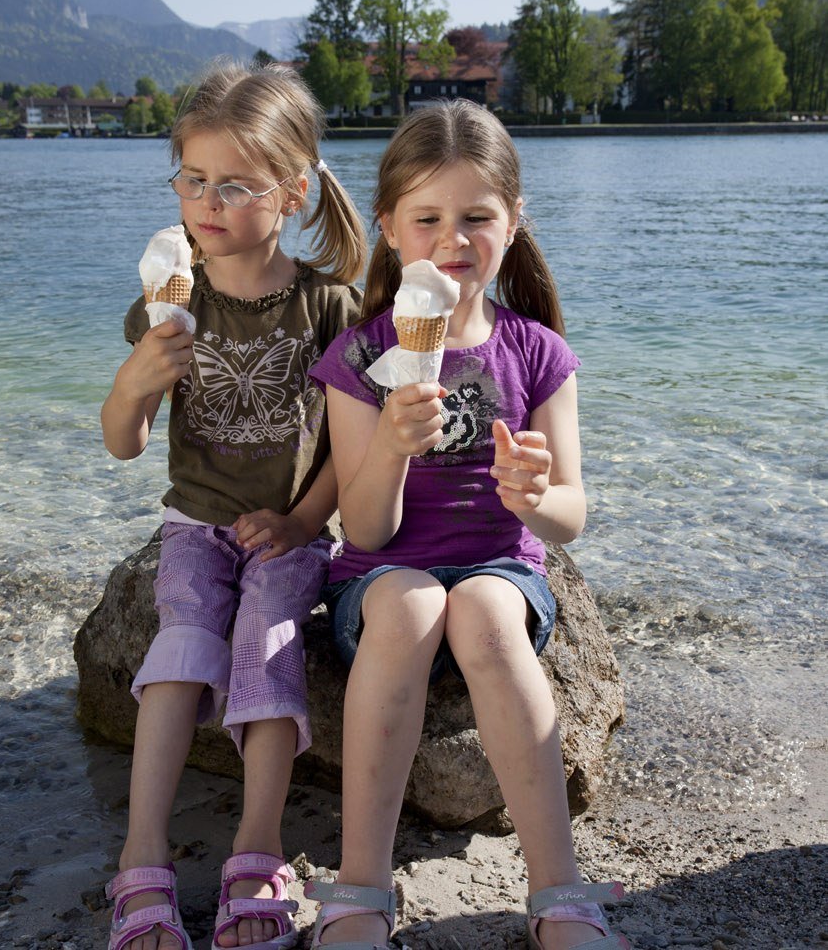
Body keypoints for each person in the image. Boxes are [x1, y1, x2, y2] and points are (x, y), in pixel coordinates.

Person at [307, 100, 629, 950]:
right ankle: (361, 891)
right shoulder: (360, 361)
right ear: (387, 230)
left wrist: (532, 496)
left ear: (514, 222)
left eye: (476, 216)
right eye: (427, 218)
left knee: (487, 614)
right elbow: (367, 531)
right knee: (412, 603)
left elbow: (570, 518)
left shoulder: (536, 352)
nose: (453, 238)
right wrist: (389, 448)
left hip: (499, 567)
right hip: (386, 576)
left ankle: (557, 893)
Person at [100, 60, 366, 950]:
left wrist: (300, 521)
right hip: (192, 523)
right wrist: (134, 385)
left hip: (290, 531)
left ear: (292, 193)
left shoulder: (328, 306)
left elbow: (347, 447)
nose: (206, 203)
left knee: (269, 642)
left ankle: (257, 846)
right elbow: (123, 441)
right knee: (181, 644)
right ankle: (142, 858)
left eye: (233, 185)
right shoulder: (169, 302)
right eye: (192, 179)